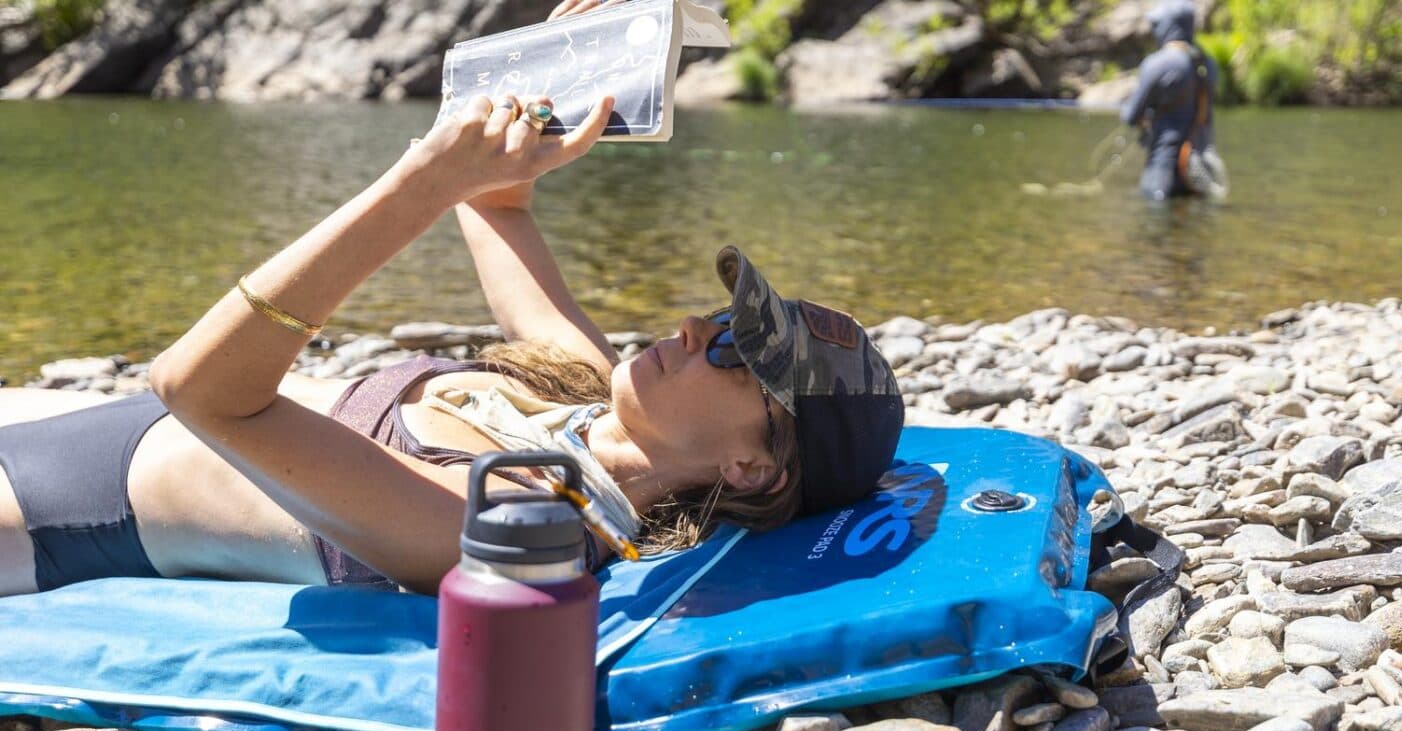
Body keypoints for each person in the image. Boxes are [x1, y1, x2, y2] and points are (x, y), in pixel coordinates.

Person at [0, 9, 903, 599]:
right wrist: (559, 71)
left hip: (60, 521)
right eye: (722, 317)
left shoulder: (519, 523)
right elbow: (497, 201)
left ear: (753, 469)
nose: (693, 328)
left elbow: (199, 387)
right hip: (103, 438)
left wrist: (418, 181)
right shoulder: (580, 396)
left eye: (734, 356)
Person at [1120, 0, 1226, 201]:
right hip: (1197, 172)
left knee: (1155, 223)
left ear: (1168, 25)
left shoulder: (1157, 63)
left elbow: (1130, 117)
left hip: (1162, 171)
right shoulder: (1208, 64)